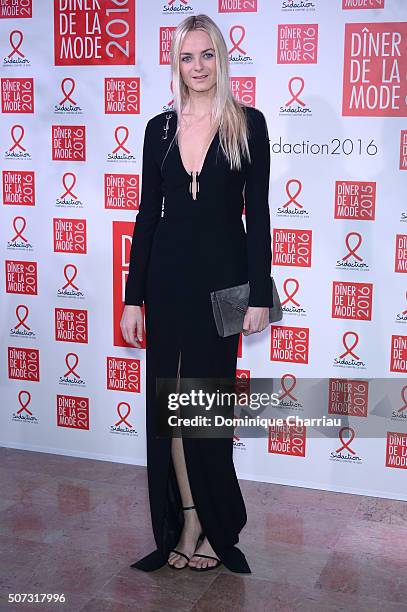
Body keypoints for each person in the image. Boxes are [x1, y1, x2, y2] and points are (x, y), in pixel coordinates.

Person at [120, 13, 273, 573]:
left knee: (207, 407)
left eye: (207, 55)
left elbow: (257, 216)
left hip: (228, 287)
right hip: (168, 281)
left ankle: (216, 522)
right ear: (176, 65)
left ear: (221, 60)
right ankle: (186, 519)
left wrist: (261, 294)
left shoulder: (247, 124)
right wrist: (133, 298)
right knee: (172, 407)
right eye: (187, 57)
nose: (198, 67)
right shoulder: (157, 130)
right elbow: (146, 217)